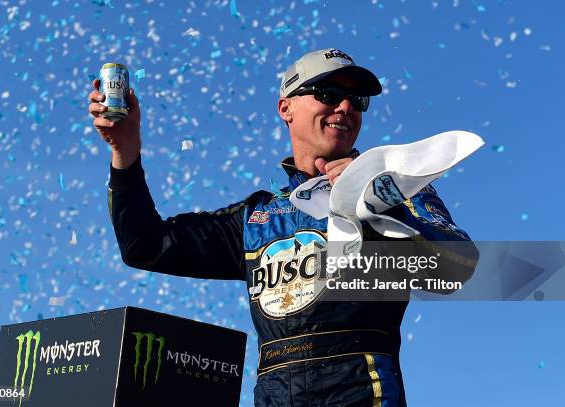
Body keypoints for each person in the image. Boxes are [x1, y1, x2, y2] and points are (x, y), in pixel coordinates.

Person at [88, 48, 476, 406]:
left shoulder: (397, 189)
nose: (345, 106)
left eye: (357, 100)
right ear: (286, 107)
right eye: (327, 92)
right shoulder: (254, 217)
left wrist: (378, 208)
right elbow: (144, 245)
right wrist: (125, 150)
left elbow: (459, 268)